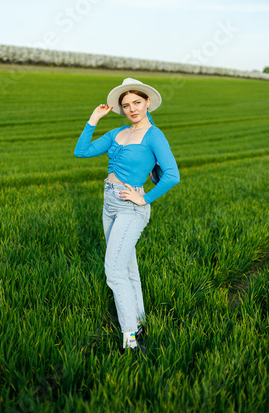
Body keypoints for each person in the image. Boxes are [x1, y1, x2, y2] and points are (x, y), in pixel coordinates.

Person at [74, 78, 180, 354]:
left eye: (137, 102)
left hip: (131, 208)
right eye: (126, 105)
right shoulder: (118, 133)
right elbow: (81, 151)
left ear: (147, 103)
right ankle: (141, 321)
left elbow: (172, 176)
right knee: (128, 269)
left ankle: (130, 338)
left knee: (114, 271)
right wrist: (94, 119)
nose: (132, 108)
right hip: (109, 204)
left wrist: (144, 197)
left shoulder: (154, 135)